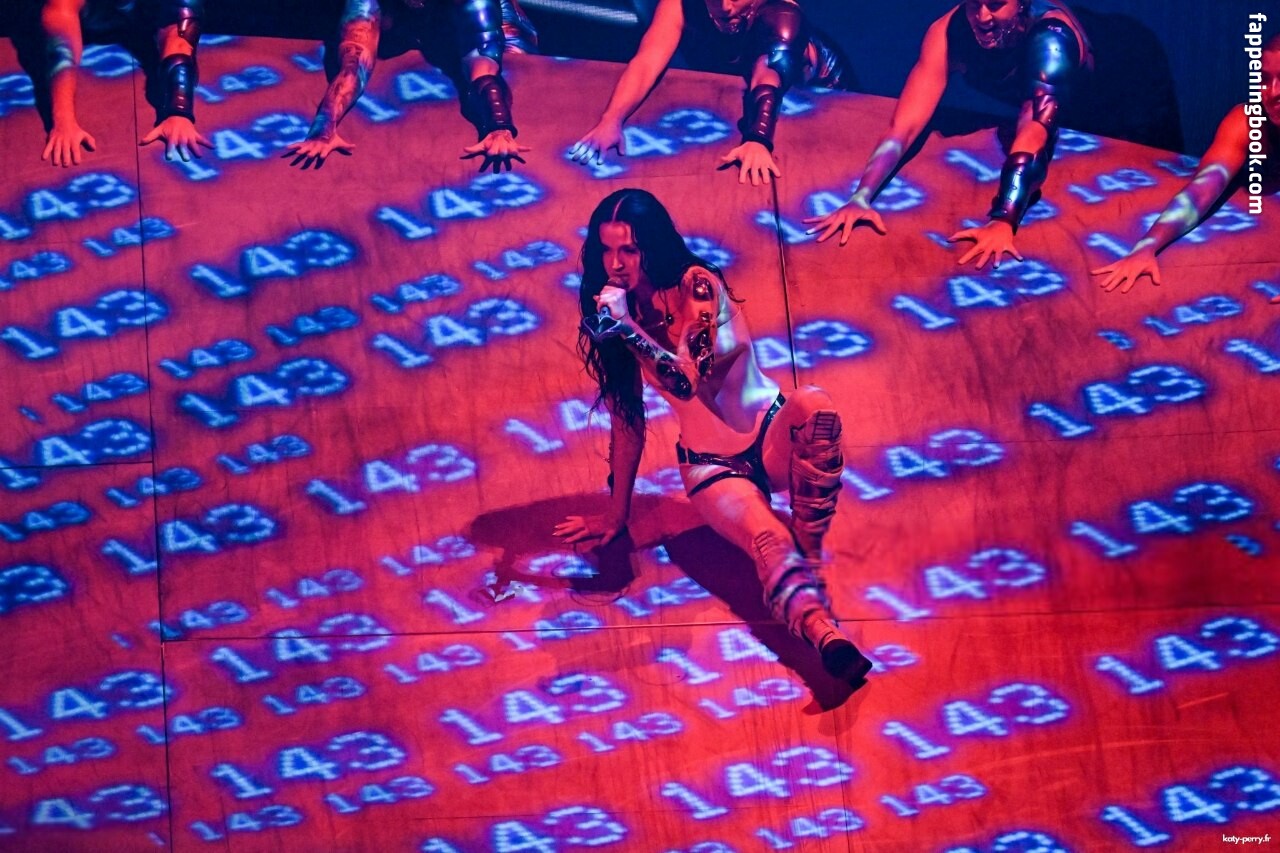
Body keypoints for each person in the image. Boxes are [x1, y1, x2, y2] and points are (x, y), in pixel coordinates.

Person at [554, 188, 872, 686]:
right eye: (606, 250)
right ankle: (824, 636)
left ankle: (808, 543)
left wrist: (628, 328)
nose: (615, 265)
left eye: (629, 250)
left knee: (814, 404)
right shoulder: (615, 312)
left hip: (772, 434)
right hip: (712, 469)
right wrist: (617, 515)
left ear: (652, 246)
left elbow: (690, 379)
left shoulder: (698, 287)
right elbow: (627, 424)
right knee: (767, 540)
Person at [805, 0, 1091, 268]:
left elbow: (1034, 132)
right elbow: (904, 127)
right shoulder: (948, 32)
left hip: (1105, 104)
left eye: (995, 4)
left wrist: (1004, 219)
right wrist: (861, 197)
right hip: (1049, 103)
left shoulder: (1051, 38)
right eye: (974, 3)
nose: (982, 17)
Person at [569, 0, 849, 187]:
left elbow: (766, 76)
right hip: (747, 90)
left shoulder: (782, 14)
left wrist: (757, 139)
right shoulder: (680, 4)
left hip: (825, 96)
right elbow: (646, 62)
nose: (725, 6)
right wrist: (612, 119)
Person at [1093, 33, 1280, 297]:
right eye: (1264, 79)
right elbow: (1201, 190)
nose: (1272, 93)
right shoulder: (1248, 123)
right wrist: (1147, 247)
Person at [284, 0, 537, 171]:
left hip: (477, 24)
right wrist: (324, 127)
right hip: (408, 27)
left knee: (516, 68)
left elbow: (482, 65)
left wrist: (498, 126)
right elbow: (355, 61)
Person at [37, 0, 208, 165]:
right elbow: (61, 54)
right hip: (93, 19)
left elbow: (179, 44)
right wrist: (64, 121)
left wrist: (178, 111)